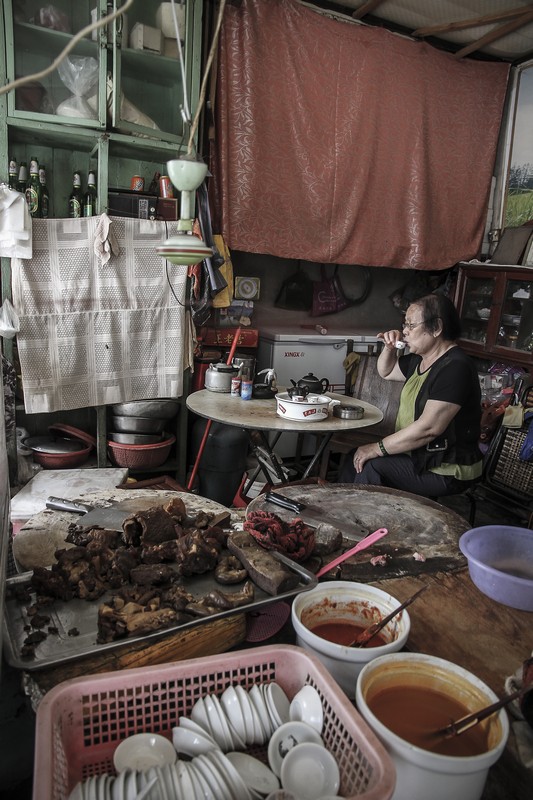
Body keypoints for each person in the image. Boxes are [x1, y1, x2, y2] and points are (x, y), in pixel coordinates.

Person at [339, 293, 483, 497]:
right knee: (354, 458)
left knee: (373, 466)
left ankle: (366, 522)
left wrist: (376, 448)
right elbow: (386, 371)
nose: (404, 331)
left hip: (446, 468)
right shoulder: (420, 359)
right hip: (418, 456)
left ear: (437, 328)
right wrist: (389, 348)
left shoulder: (455, 368)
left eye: (411, 325)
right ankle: (342, 512)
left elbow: (429, 429)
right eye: (404, 324)